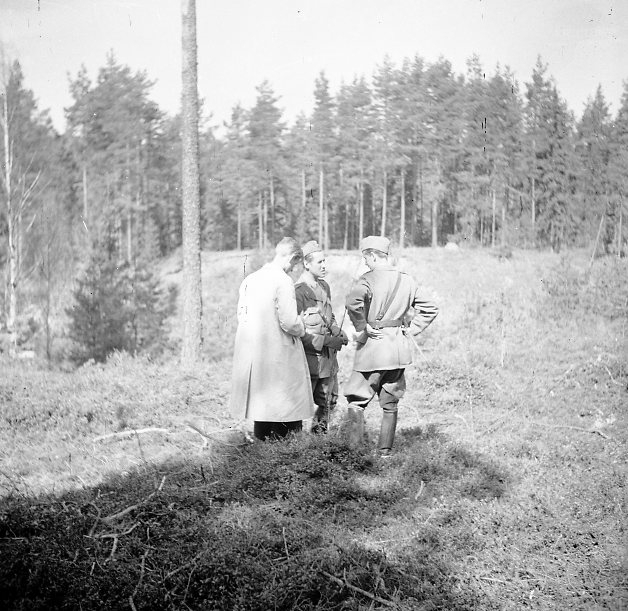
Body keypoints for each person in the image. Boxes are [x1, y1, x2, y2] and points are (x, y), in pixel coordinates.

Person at [344, 236, 439, 456]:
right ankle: (384, 454)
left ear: (373, 255)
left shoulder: (367, 280)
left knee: (356, 400)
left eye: (366, 258)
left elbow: (352, 303)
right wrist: (412, 329)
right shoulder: (407, 280)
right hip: (397, 351)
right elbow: (431, 307)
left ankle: (354, 456)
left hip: (372, 349)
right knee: (390, 403)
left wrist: (362, 326)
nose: (365, 263)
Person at [229, 237, 315, 440]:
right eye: (295, 264)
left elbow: (241, 315)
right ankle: (286, 452)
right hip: (278, 351)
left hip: (254, 351)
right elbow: (290, 322)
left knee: (262, 408)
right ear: (292, 258)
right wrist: (303, 326)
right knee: (287, 404)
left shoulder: (250, 279)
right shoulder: (283, 281)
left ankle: (262, 451)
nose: (293, 269)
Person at [294, 241, 348, 433]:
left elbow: (329, 316)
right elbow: (298, 332)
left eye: (325, 261)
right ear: (306, 264)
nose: (324, 265)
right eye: (320, 262)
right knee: (300, 406)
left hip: (329, 360)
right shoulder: (299, 292)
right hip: (310, 363)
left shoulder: (324, 286)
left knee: (329, 402)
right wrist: (327, 341)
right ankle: (295, 444)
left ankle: (317, 442)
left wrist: (337, 330)